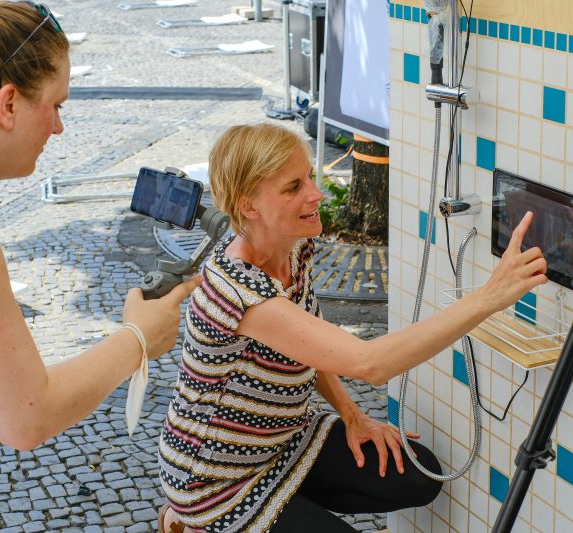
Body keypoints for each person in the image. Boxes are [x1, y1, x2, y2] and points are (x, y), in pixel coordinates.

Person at [156, 123, 548, 533]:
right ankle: (194, 523)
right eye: (293, 187)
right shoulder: (239, 292)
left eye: (309, 175)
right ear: (249, 207)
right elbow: (370, 364)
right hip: (215, 479)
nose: (316, 193)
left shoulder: (292, 248)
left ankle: (283, 506)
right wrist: (488, 297)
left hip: (285, 441)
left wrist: (352, 414)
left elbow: (309, 341)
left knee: (418, 474)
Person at [0, 0, 198, 450]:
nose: (58, 128)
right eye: (55, 105)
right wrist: (139, 339)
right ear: (9, 103)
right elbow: (28, 419)